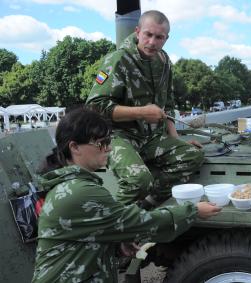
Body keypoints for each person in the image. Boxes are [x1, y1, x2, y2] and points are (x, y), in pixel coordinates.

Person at [32, 108, 221, 283]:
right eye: (101, 143)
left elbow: (83, 244)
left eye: (109, 142)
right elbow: (141, 222)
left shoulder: (76, 186)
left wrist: (116, 242)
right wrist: (193, 210)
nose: (109, 148)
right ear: (74, 147)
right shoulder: (79, 192)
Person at [86, 10, 203, 209]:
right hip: (117, 136)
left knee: (192, 155)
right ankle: (109, 225)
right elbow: (94, 107)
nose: (152, 42)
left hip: (150, 137)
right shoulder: (118, 60)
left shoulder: (164, 61)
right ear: (137, 31)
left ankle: (145, 209)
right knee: (138, 179)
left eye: (159, 37)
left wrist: (174, 139)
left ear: (166, 38)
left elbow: (168, 104)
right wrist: (141, 112)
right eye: (148, 34)